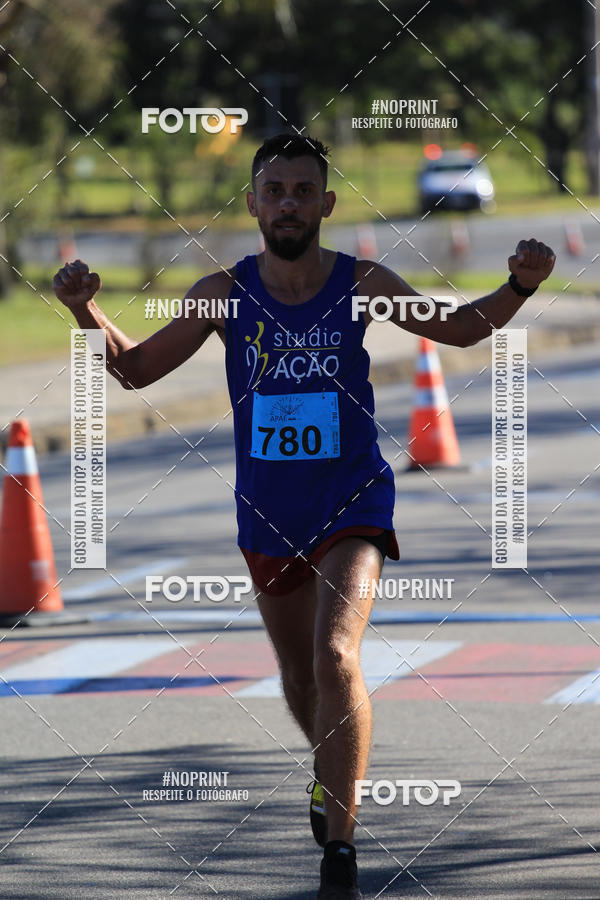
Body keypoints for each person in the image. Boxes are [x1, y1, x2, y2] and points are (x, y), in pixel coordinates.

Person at [53, 133, 555, 899]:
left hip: (352, 498)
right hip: (268, 513)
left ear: (325, 204)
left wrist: (518, 286)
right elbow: (135, 370)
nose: (287, 202)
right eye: (273, 189)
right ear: (253, 203)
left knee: (335, 659)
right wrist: (87, 311)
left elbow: (453, 329)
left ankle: (342, 852)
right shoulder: (221, 294)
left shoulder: (361, 284)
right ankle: (328, 775)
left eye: (302, 190)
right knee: (298, 676)